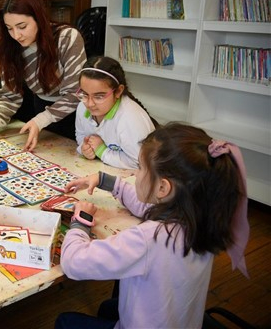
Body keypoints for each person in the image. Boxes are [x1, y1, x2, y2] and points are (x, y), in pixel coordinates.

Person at [56, 122, 250, 329]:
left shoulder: (149, 239)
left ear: (163, 187)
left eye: (140, 168)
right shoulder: (202, 218)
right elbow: (147, 205)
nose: (136, 174)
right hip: (181, 322)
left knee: (65, 321)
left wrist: (80, 222)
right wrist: (109, 182)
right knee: (107, 308)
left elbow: (74, 263)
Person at [0, 0, 87, 151]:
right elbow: (9, 97)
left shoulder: (67, 38)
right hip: (41, 115)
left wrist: (40, 120)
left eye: (22, 26)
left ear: (38, 17)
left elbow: (75, 93)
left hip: (74, 117)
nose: (16, 35)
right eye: (9, 28)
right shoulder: (10, 47)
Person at [75, 56, 157, 169]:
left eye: (99, 96)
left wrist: (102, 152)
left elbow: (140, 162)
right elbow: (80, 135)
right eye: (84, 94)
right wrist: (84, 148)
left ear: (118, 91)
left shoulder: (130, 118)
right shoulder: (82, 107)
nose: (89, 104)